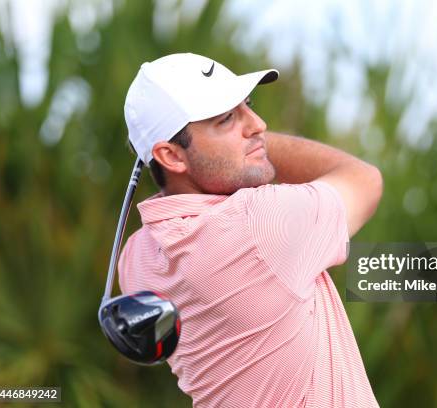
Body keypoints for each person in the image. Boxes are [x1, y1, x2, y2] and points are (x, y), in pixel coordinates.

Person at [119, 52, 382, 407]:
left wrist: (237, 147)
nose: (258, 124)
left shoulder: (135, 259)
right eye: (227, 118)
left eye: (248, 105)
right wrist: (258, 150)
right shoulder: (257, 223)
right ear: (171, 156)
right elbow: (365, 180)